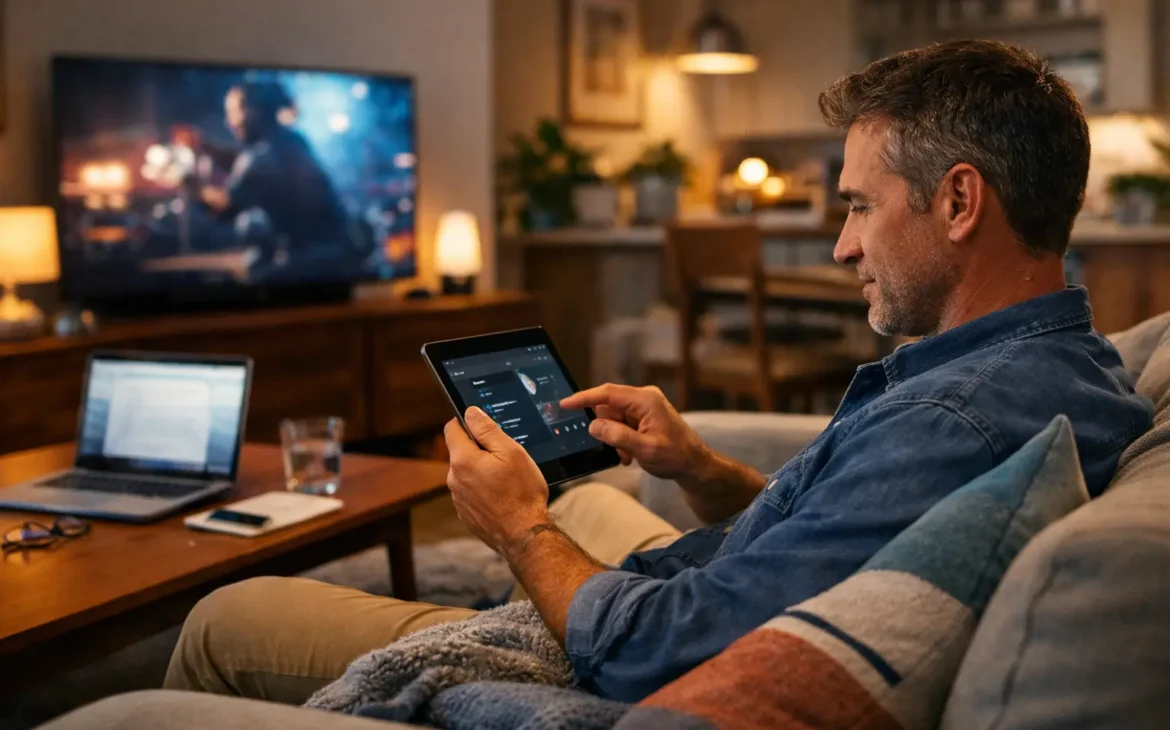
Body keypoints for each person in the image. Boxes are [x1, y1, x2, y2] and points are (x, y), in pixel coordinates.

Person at [164, 40, 1153, 705]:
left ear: (960, 201)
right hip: (718, 580)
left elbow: (654, 646)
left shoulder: (963, 415)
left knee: (226, 614)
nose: (846, 247)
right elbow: (856, 526)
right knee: (616, 488)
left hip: (629, 647)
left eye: (858, 206)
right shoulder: (1054, 367)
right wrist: (700, 468)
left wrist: (517, 525)